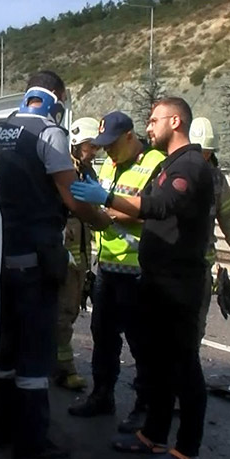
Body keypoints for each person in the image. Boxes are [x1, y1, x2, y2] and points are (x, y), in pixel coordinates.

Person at [69, 97, 216, 459]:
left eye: (154, 121)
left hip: (179, 283)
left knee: (183, 366)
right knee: (159, 361)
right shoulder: (169, 164)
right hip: (156, 278)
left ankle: (187, 449)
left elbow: (161, 206)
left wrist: (106, 199)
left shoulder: (191, 166)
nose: (150, 127)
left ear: (176, 120)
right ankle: (154, 434)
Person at [0, 72, 111, 459]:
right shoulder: (50, 133)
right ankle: (32, 443)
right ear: (56, 96)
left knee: (5, 349)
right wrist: (103, 221)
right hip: (36, 261)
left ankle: (3, 429)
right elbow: (71, 196)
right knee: (35, 353)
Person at [67, 112, 165, 435]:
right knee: (103, 335)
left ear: (129, 136)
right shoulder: (109, 164)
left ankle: (145, 407)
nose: (107, 152)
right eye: (102, 146)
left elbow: (153, 211)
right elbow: (105, 204)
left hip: (139, 269)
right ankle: (102, 395)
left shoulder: (155, 163)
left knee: (142, 342)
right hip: (108, 265)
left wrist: (109, 207)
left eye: (112, 145)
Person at [54, 117, 102, 392]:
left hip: (81, 251)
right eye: (90, 146)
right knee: (63, 312)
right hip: (69, 252)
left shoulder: (86, 172)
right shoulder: (64, 172)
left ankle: (57, 362)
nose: (94, 151)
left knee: (70, 311)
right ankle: (65, 368)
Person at [188, 117, 230, 340]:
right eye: (200, 151)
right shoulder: (171, 171)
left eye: (208, 152)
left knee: (194, 332)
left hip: (200, 267)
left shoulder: (216, 180)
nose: (204, 157)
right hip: (168, 267)